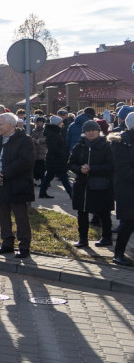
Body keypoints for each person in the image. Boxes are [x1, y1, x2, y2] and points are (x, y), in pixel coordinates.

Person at [0, 112, 36, 258]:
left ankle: (24, 246)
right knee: (3, 215)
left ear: (10, 125)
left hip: (17, 185)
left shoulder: (24, 140)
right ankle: (7, 243)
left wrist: (3, 174)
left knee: (21, 217)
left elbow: (24, 161)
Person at [67, 119, 114, 248]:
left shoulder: (106, 145)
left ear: (99, 131)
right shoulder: (79, 146)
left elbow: (111, 166)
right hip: (82, 185)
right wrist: (80, 169)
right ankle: (83, 239)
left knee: (103, 212)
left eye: (93, 130)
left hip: (101, 185)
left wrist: (91, 168)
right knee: (82, 213)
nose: (91, 133)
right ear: (84, 133)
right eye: (87, 131)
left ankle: (107, 237)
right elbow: (71, 163)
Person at [110, 112, 134, 265]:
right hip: (128, 188)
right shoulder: (121, 142)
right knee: (128, 222)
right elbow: (122, 168)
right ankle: (118, 254)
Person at [39, 115, 72, 199]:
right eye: (61, 122)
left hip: (53, 158)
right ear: (57, 124)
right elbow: (54, 148)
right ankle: (72, 194)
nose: (62, 124)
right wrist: (63, 155)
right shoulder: (54, 134)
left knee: (48, 176)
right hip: (56, 159)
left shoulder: (53, 133)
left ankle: (42, 192)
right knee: (63, 177)